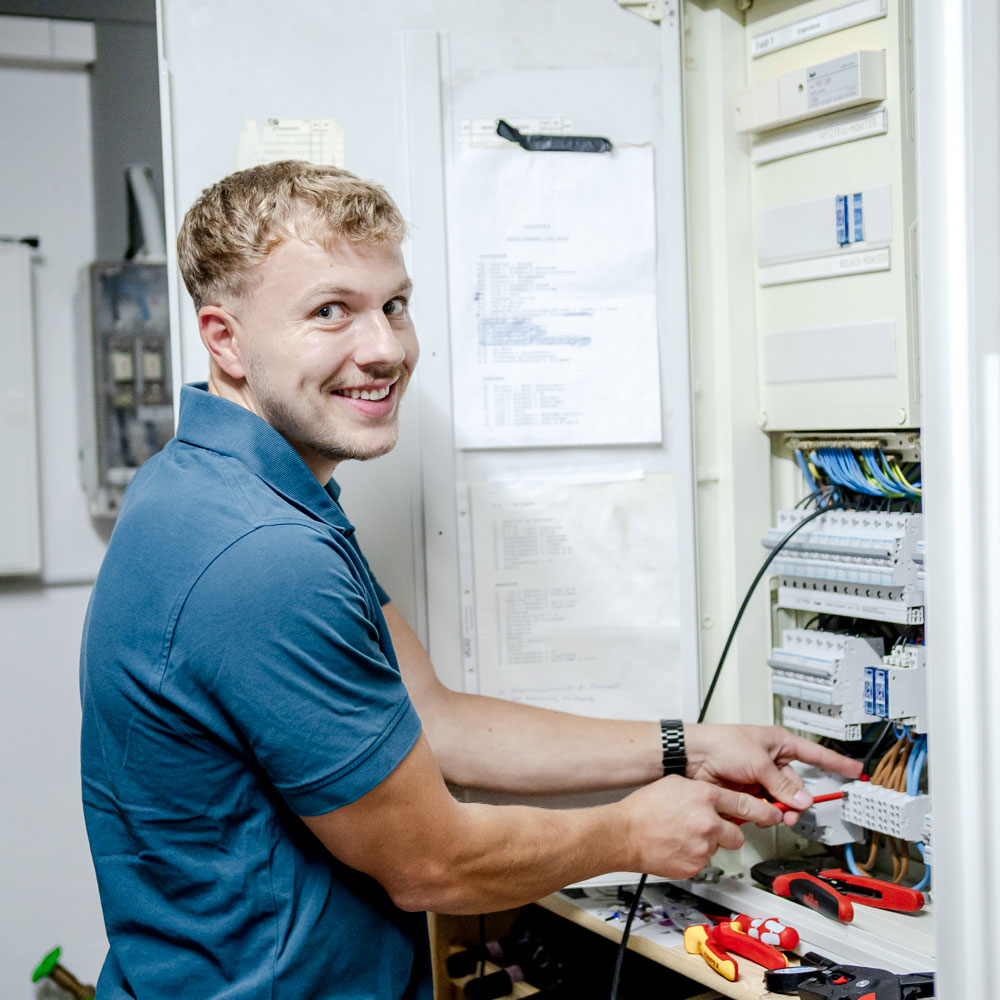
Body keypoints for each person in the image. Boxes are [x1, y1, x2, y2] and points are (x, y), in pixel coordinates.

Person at [80, 160, 861, 1000]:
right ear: (225, 338)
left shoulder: (219, 486)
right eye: (330, 311)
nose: (384, 348)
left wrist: (687, 743)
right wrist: (632, 832)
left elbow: (436, 721)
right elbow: (432, 863)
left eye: (394, 305)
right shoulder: (263, 552)